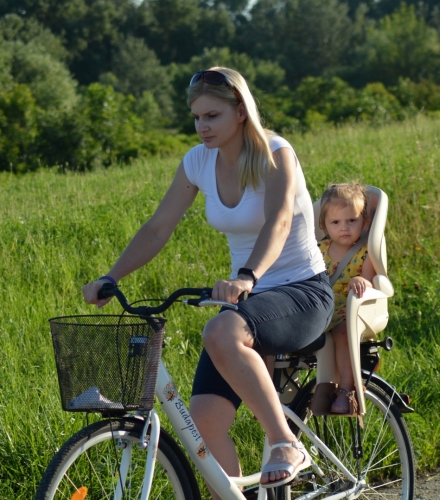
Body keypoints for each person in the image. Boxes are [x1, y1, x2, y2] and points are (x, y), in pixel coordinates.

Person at [81, 67, 333, 494]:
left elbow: (279, 221)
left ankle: (285, 443)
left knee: (220, 330)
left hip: (302, 291)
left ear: (241, 112)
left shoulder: (275, 153)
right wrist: (110, 276)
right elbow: (158, 228)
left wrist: (247, 276)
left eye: (213, 116)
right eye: (197, 117)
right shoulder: (198, 161)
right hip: (251, 302)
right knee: (203, 426)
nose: (202, 127)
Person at [317, 183, 377, 414]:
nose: (344, 227)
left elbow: (370, 282)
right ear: (324, 225)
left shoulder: (366, 252)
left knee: (342, 333)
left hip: (350, 312)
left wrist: (361, 281)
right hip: (321, 310)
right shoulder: (318, 250)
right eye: (335, 222)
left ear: (364, 222)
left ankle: (345, 390)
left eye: (351, 220)